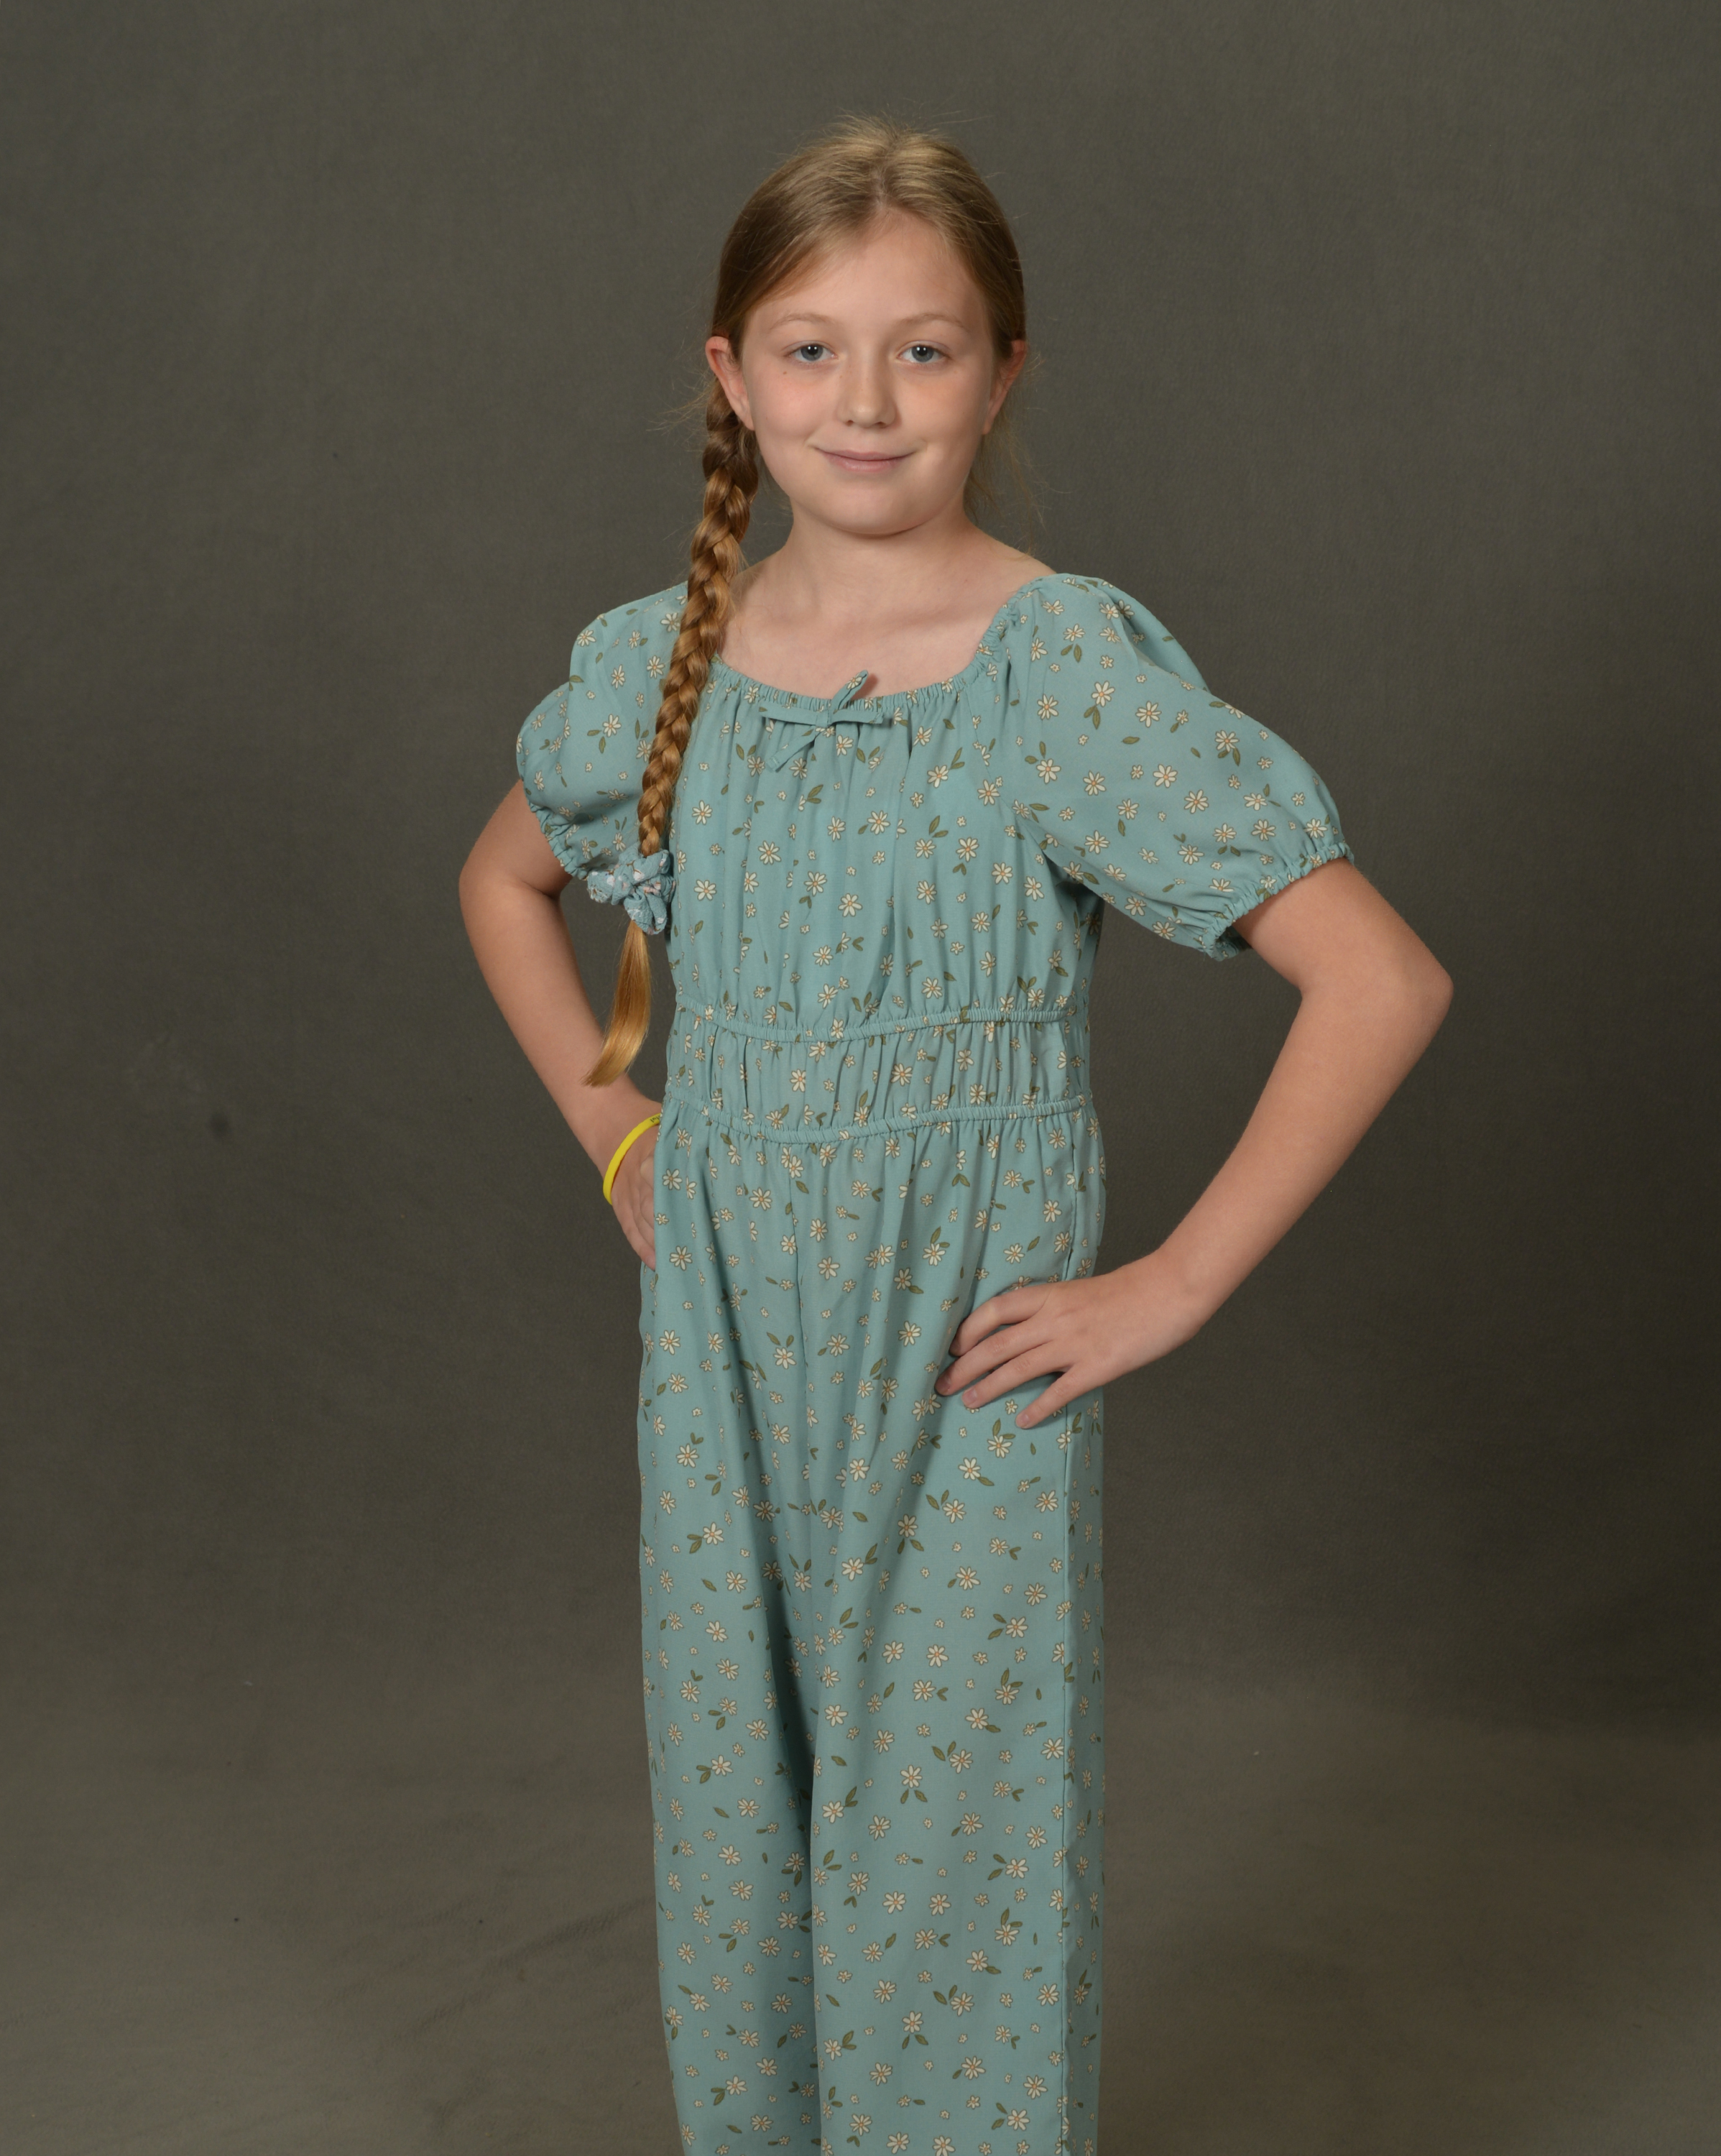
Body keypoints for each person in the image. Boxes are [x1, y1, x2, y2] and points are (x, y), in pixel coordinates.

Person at [458, 114, 1450, 2156]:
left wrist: (1174, 1283)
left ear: (1003, 375)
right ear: (732, 377)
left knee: (954, 1851)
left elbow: (1380, 978)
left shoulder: (1058, 671)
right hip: (724, 1344)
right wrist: (622, 1135)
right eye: (811, 349)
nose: (869, 399)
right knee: (737, 1823)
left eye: (924, 349)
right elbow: (500, 881)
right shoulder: (664, 668)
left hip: (962, 1350)